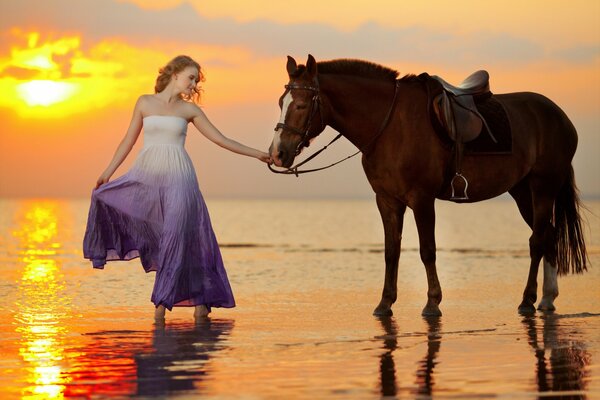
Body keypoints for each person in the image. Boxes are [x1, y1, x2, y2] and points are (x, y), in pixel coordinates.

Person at [83, 55, 271, 321]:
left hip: (180, 179)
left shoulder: (190, 110)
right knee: (161, 238)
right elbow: (128, 140)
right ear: (174, 74)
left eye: (196, 80)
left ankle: (161, 307)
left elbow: (222, 139)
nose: (193, 84)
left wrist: (258, 154)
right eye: (190, 77)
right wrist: (108, 172)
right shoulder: (144, 102)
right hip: (146, 178)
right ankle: (199, 301)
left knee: (176, 237)